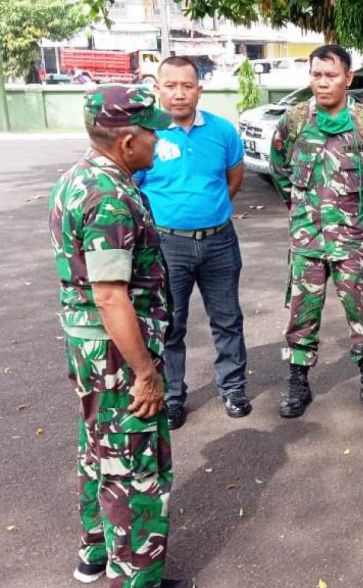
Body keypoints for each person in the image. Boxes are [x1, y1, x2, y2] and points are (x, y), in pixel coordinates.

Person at [49, 84, 195, 588]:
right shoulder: (109, 197)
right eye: (152, 131)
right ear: (127, 140)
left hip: (89, 350)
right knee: (132, 464)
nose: (159, 139)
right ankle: (137, 585)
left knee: (98, 450)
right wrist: (147, 373)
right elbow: (111, 297)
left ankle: (94, 552)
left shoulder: (77, 177)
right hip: (116, 355)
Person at [270, 44, 363, 419]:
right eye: (315, 75)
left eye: (330, 75)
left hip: (354, 244)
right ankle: (298, 385)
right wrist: (303, 213)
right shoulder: (294, 121)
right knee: (301, 316)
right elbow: (280, 172)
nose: (322, 83)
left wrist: (358, 216)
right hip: (307, 242)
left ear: (348, 78)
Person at [135, 56, 251, 430]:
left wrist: (208, 212)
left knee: (228, 319)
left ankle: (233, 389)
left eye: (187, 86)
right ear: (158, 89)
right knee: (171, 323)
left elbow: (233, 178)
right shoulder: (145, 136)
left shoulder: (222, 132)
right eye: (171, 86)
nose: (179, 94)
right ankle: (173, 397)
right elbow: (134, 189)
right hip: (168, 246)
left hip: (219, 242)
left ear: (199, 89)